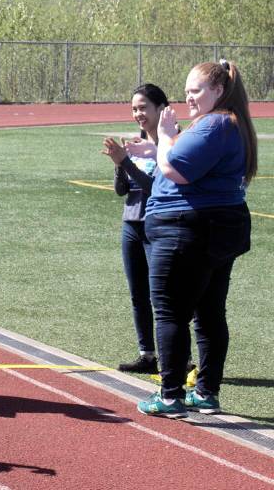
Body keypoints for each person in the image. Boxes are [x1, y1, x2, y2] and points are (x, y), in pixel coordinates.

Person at [135, 60, 256, 417]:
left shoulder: (216, 122)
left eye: (196, 90)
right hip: (216, 226)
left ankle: (170, 395)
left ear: (218, 91)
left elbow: (176, 169)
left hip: (189, 228)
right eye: (186, 90)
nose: (188, 97)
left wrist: (166, 135)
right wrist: (157, 147)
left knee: (171, 312)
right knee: (209, 313)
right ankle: (205, 392)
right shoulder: (228, 122)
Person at [101, 84, 169, 374]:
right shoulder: (137, 143)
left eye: (143, 107)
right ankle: (147, 355)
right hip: (131, 224)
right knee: (138, 293)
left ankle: (177, 356)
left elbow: (154, 188)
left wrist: (126, 162)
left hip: (157, 226)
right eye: (134, 109)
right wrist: (118, 165)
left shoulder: (170, 144)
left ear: (160, 108)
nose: (138, 114)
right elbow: (121, 190)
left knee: (163, 295)